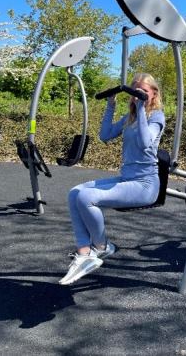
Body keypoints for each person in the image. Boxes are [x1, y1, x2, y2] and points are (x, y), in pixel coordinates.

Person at [59, 73, 165, 285]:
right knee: (75, 193)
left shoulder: (156, 117)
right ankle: (84, 251)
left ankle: (101, 247)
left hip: (145, 185)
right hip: (127, 179)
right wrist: (110, 105)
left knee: (87, 197)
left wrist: (143, 109)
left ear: (153, 94)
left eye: (143, 91)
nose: (138, 96)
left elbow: (146, 143)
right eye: (135, 91)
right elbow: (105, 135)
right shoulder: (130, 119)